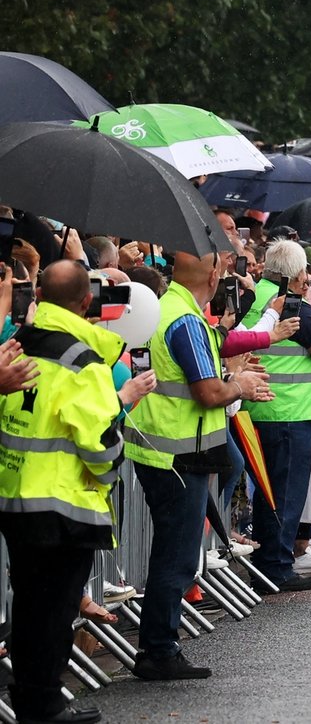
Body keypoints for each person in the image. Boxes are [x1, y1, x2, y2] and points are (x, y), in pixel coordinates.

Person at [0, 262, 147, 724]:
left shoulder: (16, 345)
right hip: (64, 505)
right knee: (53, 613)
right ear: (88, 303)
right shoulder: (83, 362)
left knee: (27, 607)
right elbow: (100, 446)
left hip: (14, 495)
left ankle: (34, 702)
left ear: (40, 292)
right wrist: (108, 477)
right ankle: (43, 707)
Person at [125, 253, 273, 679]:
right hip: (178, 455)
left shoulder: (166, 307)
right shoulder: (185, 320)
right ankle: (158, 650)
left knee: (173, 552)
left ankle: (157, 647)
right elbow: (208, 393)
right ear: (214, 275)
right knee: (178, 556)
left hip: (162, 449)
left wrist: (234, 379)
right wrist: (238, 384)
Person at [239, 240, 311, 591]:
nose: (308, 277)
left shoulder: (256, 294)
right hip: (290, 411)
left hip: (263, 406)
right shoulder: (292, 305)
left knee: (269, 494)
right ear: (296, 274)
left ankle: (268, 564)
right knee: (285, 496)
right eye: (306, 270)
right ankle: (275, 567)